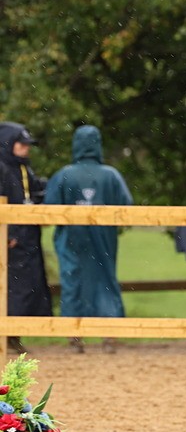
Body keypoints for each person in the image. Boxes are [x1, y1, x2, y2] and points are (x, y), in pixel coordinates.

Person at [44, 125, 133, 353]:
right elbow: (127, 207)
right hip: (103, 241)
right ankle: (109, 336)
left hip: (71, 241)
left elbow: (48, 208)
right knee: (105, 282)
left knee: (73, 283)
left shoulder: (64, 174)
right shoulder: (111, 175)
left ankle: (74, 337)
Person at [0, 123, 52, 354]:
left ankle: (14, 334)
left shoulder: (23, 168)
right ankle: (8, 334)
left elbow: (32, 192)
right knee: (12, 287)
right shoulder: (2, 168)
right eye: (21, 144)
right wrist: (9, 233)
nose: (26, 149)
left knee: (28, 286)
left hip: (28, 237)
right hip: (11, 239)